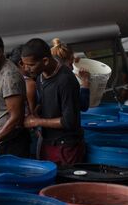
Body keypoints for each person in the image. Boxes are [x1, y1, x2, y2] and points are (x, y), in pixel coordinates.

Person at [22, 38, 85, 166]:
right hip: (48, 142)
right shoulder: (40, 76)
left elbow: (69, 121)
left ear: (45, 61)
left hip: (66, 147)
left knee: (66, 184)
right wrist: (35, 111)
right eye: (25, 65)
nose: (27, 69)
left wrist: (37, 121)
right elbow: (48, 103)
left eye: (31, 65)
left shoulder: (65, 80)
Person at [50, 38, 90, 112]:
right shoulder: (66, 81)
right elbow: (83, 106)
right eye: (70, 64)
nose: (72, 68)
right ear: (60, 63)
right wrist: (85, 83)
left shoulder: (45, 78)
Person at [7, 45, 37, 115]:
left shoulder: (9, 79)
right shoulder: (29, 84)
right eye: (32, 63)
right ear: (21, 63)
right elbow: (33, 113)